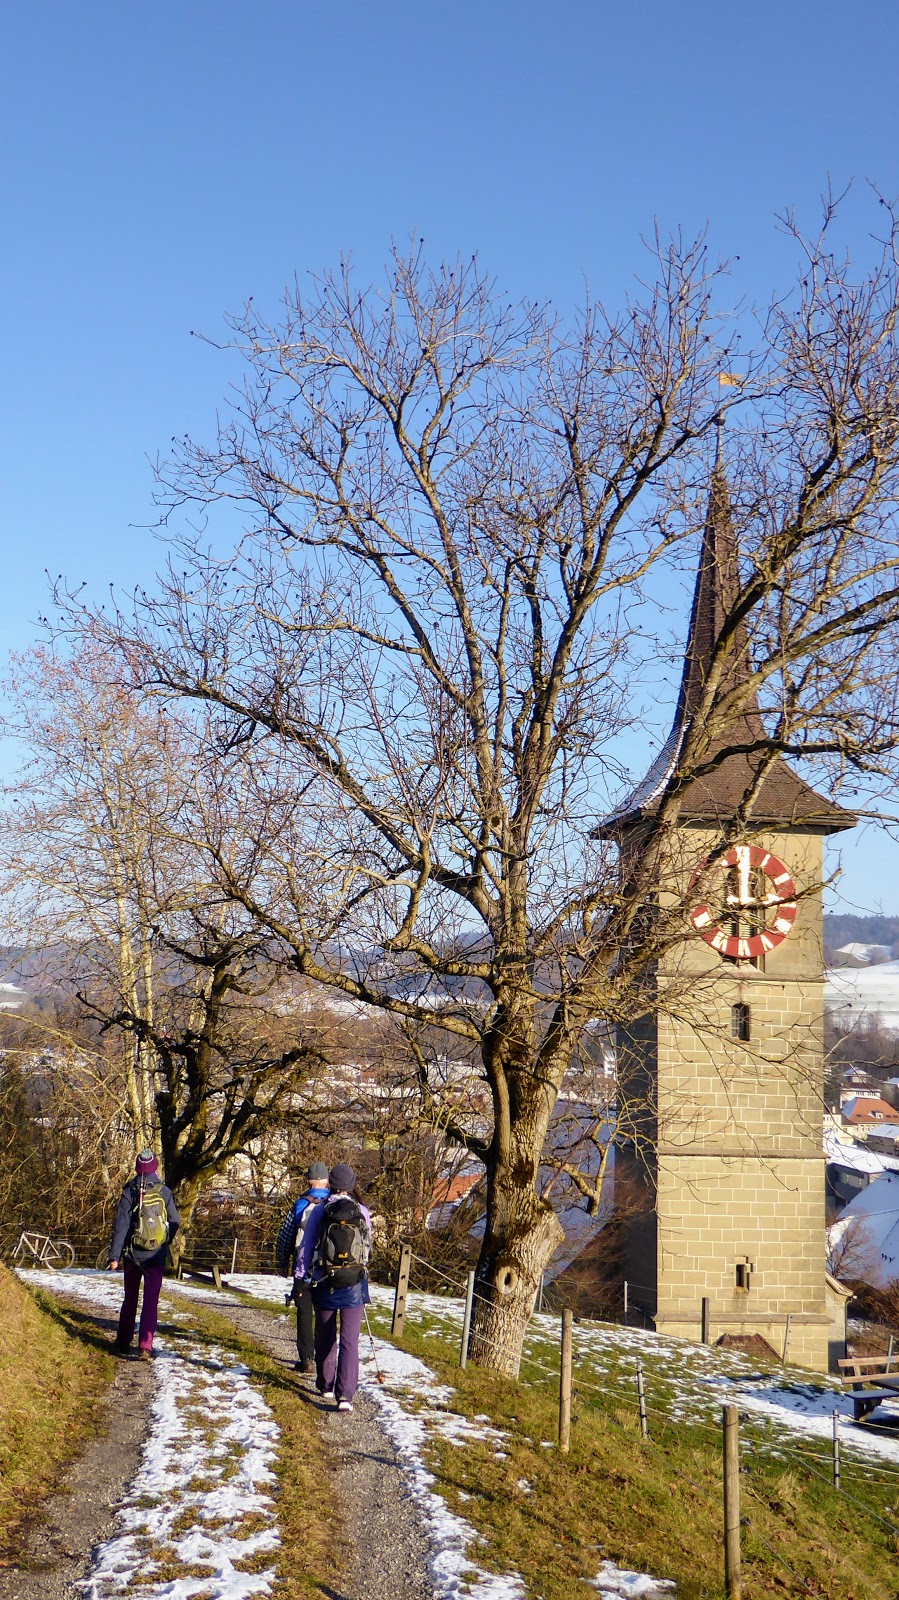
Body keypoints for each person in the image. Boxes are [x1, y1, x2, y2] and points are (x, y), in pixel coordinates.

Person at [298, 1162, 372, 1413]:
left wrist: (302, 1276)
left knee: (325, 1334)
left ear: (330, 1183)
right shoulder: (362, 1211)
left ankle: (326, 1384)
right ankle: (346, 1395)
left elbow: (307, 1246)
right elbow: (367, 1247)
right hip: (354, 1284)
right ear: (351, 1185)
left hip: (325, 1281)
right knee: (350, 1340)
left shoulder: (320, 1210)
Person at [107, 1150, 180, 1360]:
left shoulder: (129, 1191)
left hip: (132, 1255)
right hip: (156, 1256)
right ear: (154, 1167)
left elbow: (121, 1226)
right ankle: (145, 1347)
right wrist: (163, 1240)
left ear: (137, 1168)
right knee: (150, 1301)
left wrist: (114, 1256)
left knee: (130, 1298)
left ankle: (123, 1342)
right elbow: (175, 1222)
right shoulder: (164, 1192)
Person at [275, 1160, 330, 1373]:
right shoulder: (334, 1202)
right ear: (327, 1181)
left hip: (304, 1269)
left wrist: (282, 1262)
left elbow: (286, 1235)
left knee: (305, 1312)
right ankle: (325, 1360)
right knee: (325, 1314)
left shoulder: (301, 1204)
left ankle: (307, 1358)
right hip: (328, 1270)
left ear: (308, 1180)